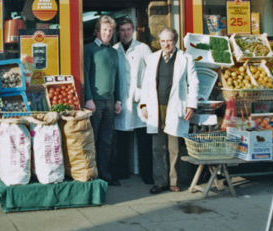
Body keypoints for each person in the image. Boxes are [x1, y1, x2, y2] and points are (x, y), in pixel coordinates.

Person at [139, 27, 199, 194]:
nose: (166, 44)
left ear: (176, 41)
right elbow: (146, 83)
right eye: (163, 41)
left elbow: (193, 83)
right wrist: (143, 104)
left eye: (169, 41)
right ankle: (160, 181)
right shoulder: (152, 58)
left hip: (175, 107)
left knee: (174, 147)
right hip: (155, 107)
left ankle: (174, 181)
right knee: (158, 147)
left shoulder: (186, 59)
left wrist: (191, 105)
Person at [112, 17, 153, 184]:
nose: (125, 33)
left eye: (128, 29)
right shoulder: (114, 50)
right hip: (122, 99)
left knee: (144, 139)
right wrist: (116, 99)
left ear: (133, 30)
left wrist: (145, 95)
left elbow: (151, 73)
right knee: (121, 139)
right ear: (117, 32)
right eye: (122, 30)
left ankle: (147, 175)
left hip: (140, 100)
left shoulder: (143, 48)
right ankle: (122, 172)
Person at [84, 15, 123, 186]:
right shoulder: (89, 49)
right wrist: (89, 98)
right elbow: (85, 74)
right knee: (92, 139)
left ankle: (105, 174)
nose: (108, 33)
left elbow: (117, 77)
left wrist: (118, 100)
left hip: (110, 101)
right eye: (104, 30)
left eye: (110, 30)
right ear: (97, 31)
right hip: (95, 102)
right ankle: (92, 175)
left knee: (107, 140)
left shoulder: (113, 52)